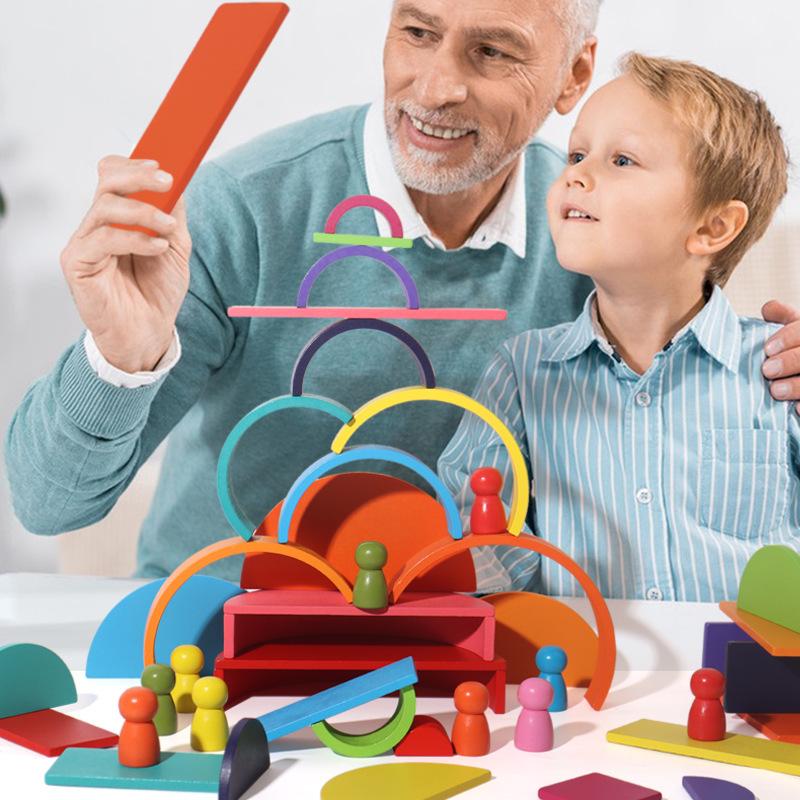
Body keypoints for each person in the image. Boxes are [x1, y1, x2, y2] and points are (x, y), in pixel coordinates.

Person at [4, 2, 800, 586]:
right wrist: (119, 357)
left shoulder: (601, 232)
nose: (437, 86)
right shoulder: (244, 204)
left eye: (492, 51)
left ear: (575, 74)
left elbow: (688, 429)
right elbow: (46, 504)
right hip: (224, 635)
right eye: (417, 32)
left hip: (464, 648)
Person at [439, 52, 797, 602]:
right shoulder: (522, 371)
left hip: (755, 680)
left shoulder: (778, 371)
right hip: (585, 674)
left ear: (713, 225)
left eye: (622, 160)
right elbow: (477, 527)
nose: (575, 173)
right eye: (577, 153)